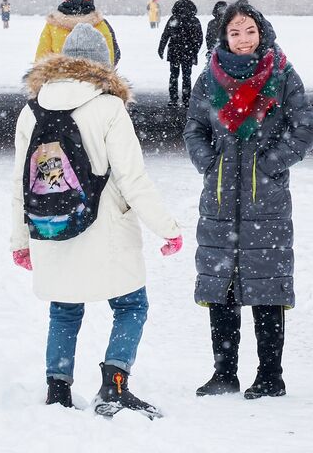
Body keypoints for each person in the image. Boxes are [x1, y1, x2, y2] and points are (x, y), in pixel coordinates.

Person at [10, 23, 185, 416]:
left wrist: (20, 240)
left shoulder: (31, 110)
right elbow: (132, 179)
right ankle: (115, 384)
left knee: (64, 308)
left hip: (51, 227)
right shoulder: (109, 107)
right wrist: (167, 228)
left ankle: (58, 389)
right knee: (131, 305)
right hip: (106, 230)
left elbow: (19, 183)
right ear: (104, 64)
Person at [183, 0, 313, 400]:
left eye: (250, 32)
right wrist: (210, 163)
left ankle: (270, 375)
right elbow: (193, 129)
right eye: (235, 32)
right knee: (221, 290)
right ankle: (224, 372)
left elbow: (305, 129)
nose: (243, 40)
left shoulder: (282, 73)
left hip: (267, 203)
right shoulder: (209, 78)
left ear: (262, 34)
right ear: (224, 36)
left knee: (267, 290)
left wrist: (270, 165)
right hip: (220, 200)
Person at [35, 0, 121, 66]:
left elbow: (41, 60)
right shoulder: (100, 24)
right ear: (90, 0)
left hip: (62, 76)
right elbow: (113, 56)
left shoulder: (53, 25)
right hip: (95, 77)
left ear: (66, 0)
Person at [158, 0, 204, 107]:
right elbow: (199, 38)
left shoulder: (174, 19)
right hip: (188, 53)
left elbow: (165, 35)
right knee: (186, 76)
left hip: (174, 51)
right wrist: (194, 50)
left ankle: (173, 98)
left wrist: (161, 48)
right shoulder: (194, 20)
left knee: (174, 75)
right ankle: (186, 99)